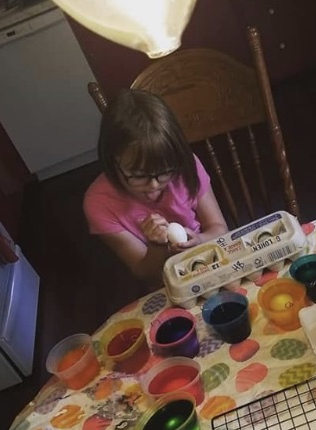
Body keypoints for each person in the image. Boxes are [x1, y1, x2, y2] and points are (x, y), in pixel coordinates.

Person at [83, 88, 229, 289]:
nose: (154, 185)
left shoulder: (186, 166)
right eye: (139, 175)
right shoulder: (99, 203)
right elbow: (144, 272)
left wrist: (200, 240)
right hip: (166, 285)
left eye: (165, 172)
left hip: (212, 264)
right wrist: (157, 246)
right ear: (112, 160)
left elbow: (219, 228)